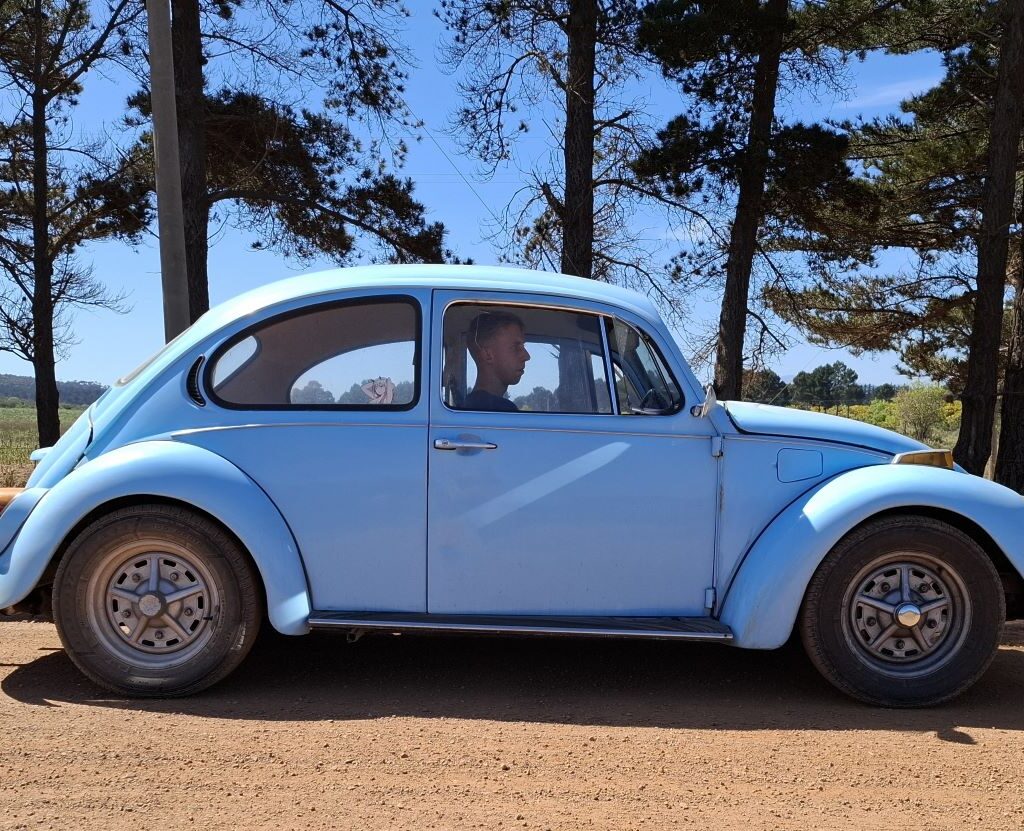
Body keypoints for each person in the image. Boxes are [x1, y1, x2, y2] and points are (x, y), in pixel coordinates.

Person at [461, 311, 531, 411]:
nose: (527, 356)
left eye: (523, 346)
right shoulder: (502, 410)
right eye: (516, 346)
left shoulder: (469, 405)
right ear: (488, 354)